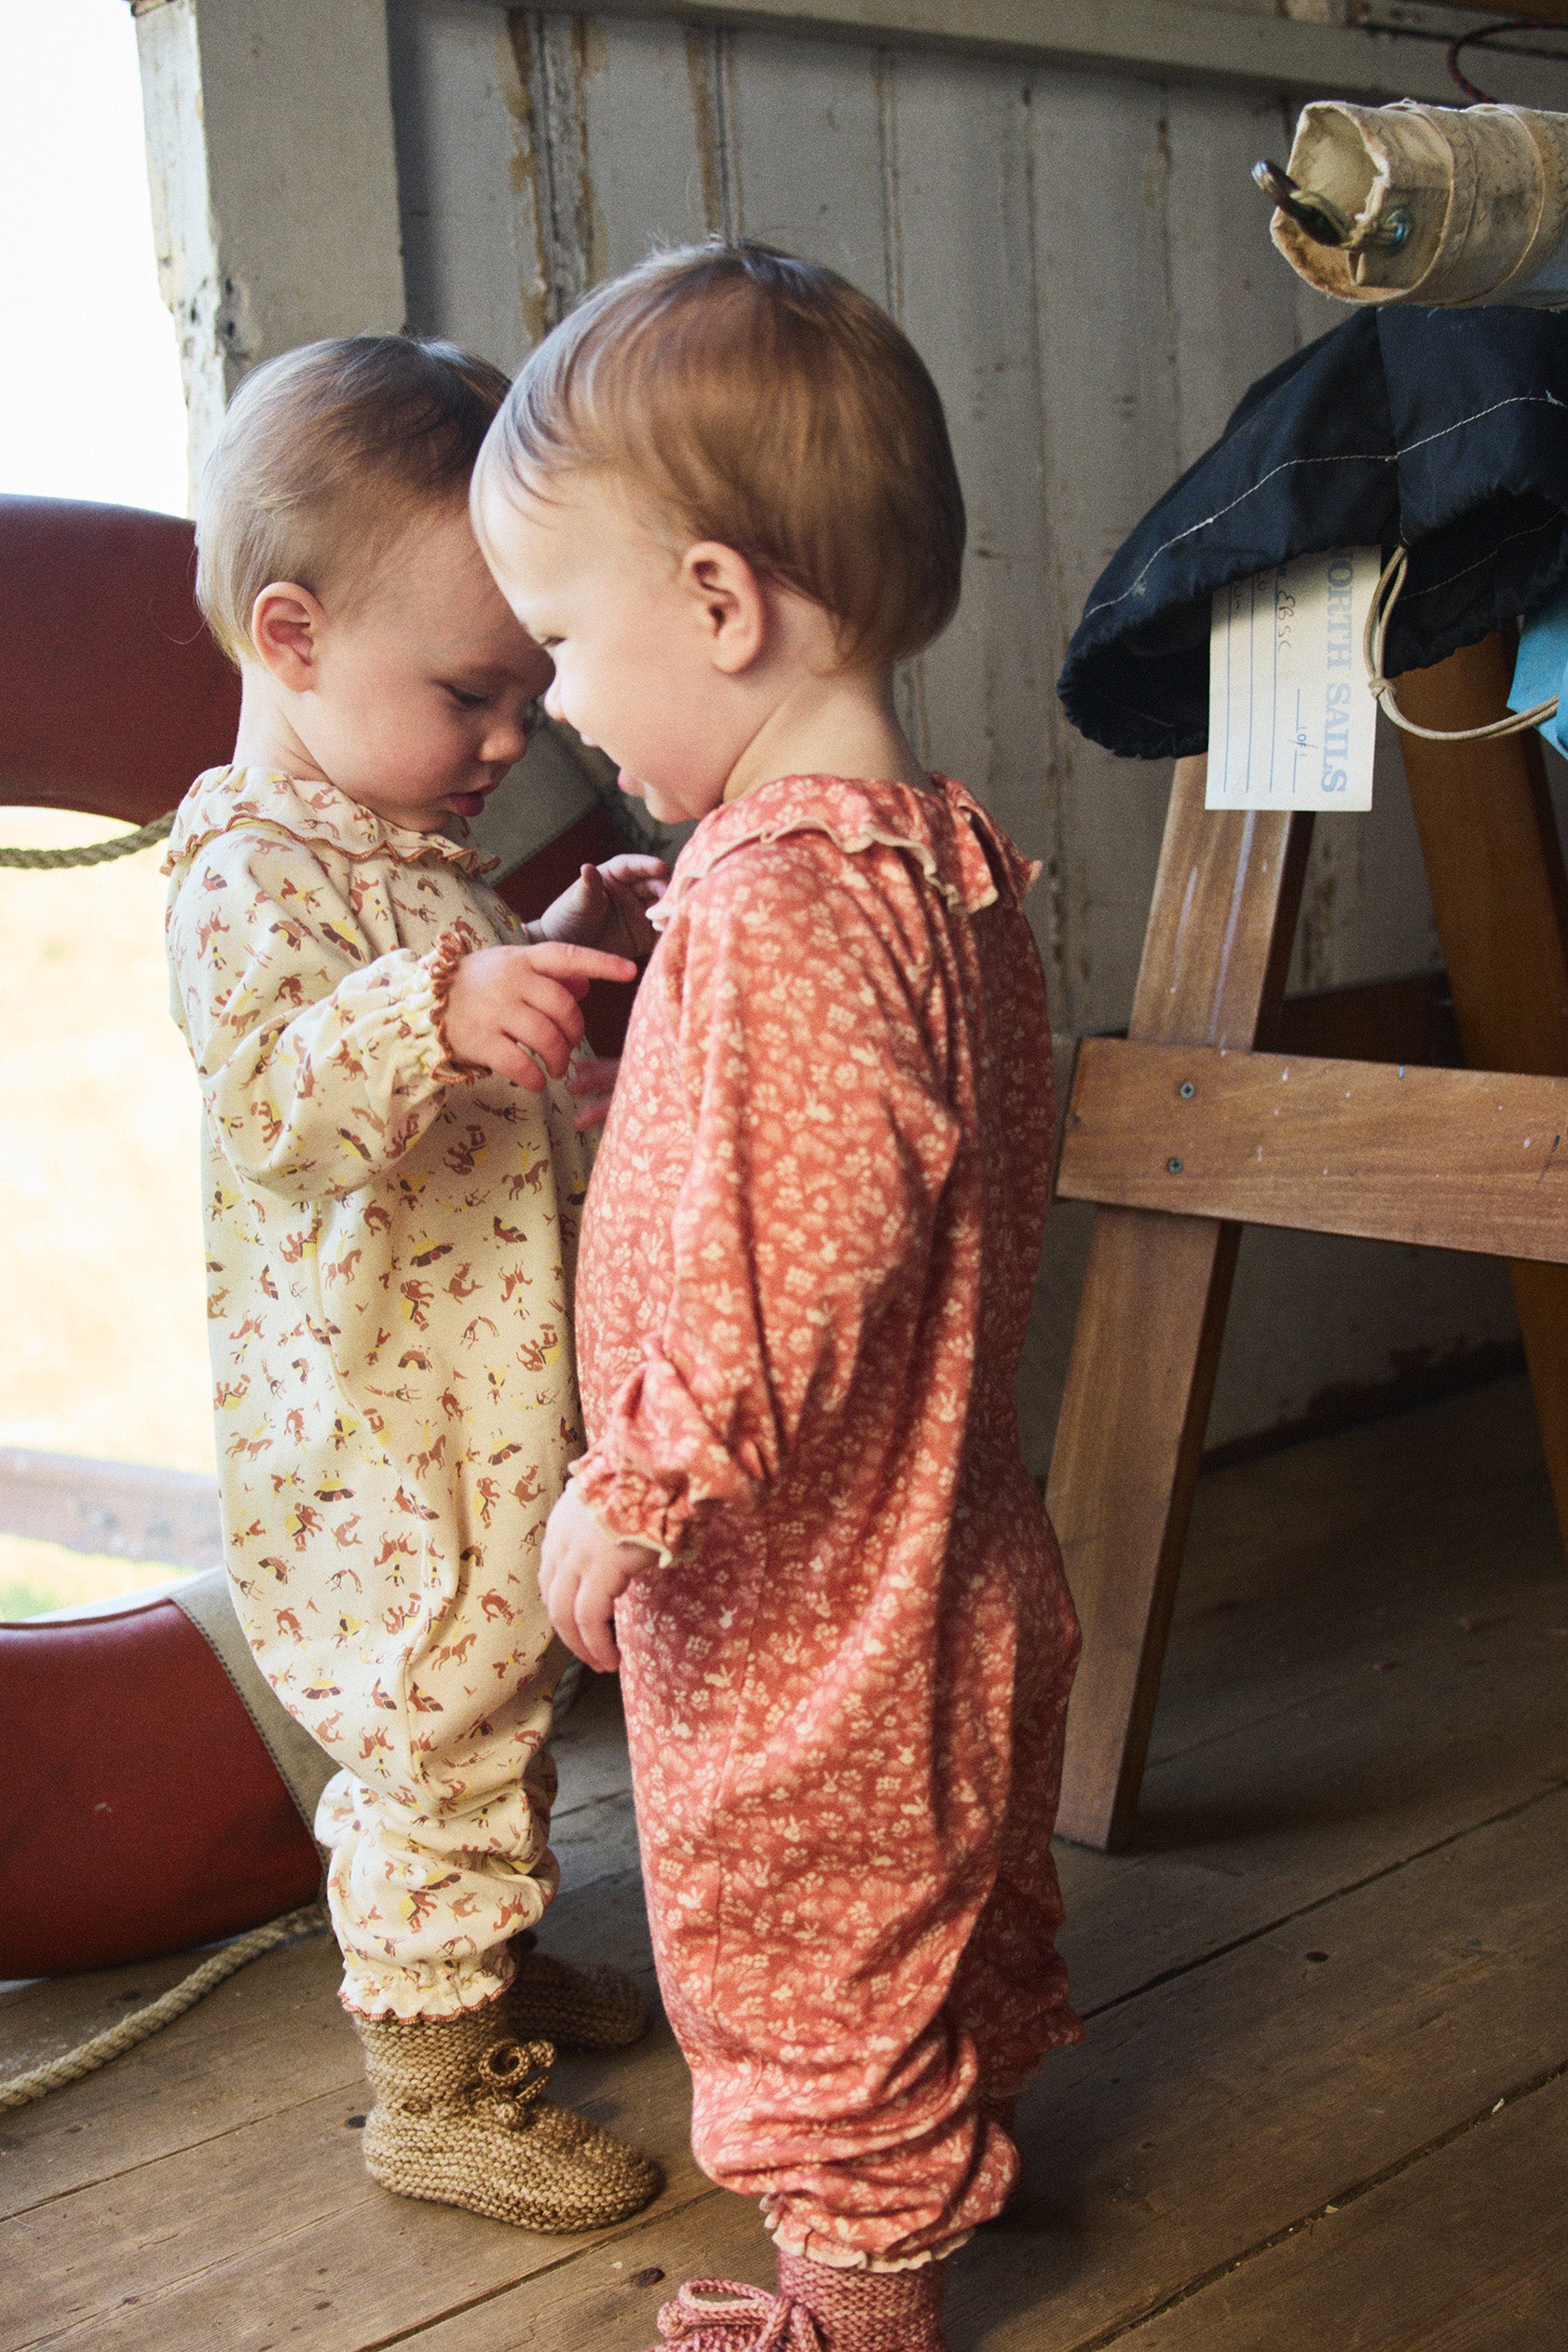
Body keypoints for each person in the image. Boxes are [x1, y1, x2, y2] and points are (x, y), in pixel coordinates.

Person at [473, 244, 1083, 2351]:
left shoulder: (783, 911)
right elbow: (878, 1166)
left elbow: (788, 1262)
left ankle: (856, 2305)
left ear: (723, 604)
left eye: (565, 640)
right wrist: (661, 1034)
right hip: (946, 1540)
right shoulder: (926, 862)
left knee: (804, 1938)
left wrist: (639, 1481)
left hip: (813, 1596)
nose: (556, 698)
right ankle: (950, 2140)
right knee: (922, 1894)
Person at [164, 335, 668, 2236]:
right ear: (290, 636)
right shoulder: (243, 867)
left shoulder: (401, 842)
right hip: (381, 1429)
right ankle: (429, 2087)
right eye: (471, 692)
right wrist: (438, 1006)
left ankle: (481, 1966)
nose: (508, 740)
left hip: (481, 1395)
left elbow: (447, 1014)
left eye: (527, 693)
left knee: (503, 1691)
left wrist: (550, 936)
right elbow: (274, 1102)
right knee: (432, 1720)